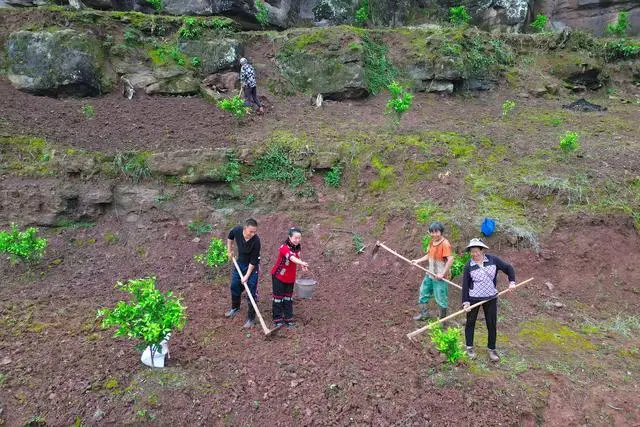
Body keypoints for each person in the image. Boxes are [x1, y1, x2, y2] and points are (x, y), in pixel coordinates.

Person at [461, 238, 516, 362]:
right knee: (470, 323)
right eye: (472, 251)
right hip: (474, 298)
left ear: (482, 250)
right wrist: (466, 302)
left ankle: (492, 349)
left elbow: (509, 268)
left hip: (491, 297)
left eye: (476, 251)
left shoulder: (493, 260)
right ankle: (469, 347)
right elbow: (465, 285)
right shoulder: (468, 266)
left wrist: (512, 283)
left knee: (491, 324)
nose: (474, 254)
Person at [410, 222, 454, 321]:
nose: (434, 234)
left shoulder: (445, 244)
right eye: (432, 232)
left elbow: (450, 259)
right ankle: (424, 315)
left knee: (441, 298)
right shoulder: (432, 242)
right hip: (430, 273)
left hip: (440, 277)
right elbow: (429, 255)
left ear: (441, 232)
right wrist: (418, 260)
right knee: (423, 292)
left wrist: (442, 274)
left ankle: (442, 321)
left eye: (436, 232)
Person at [225, 218, 261, 328]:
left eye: (255, 231)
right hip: (239, 263)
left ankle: (251, 318)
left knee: (251, 292)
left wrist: (246, 276)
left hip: (252, 267)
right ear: (245, 229)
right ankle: (235, 308)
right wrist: (229, 249)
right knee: (235, 285)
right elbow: (230, 236)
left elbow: (254, 261)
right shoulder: (237, 230)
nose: (253, 234)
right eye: (251, 231)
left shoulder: (256, 241)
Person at [270, 227, 309, 328]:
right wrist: (301, 262)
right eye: (295, 238)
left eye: (299, 238)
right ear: (289, 237)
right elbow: (291, 257)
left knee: (288, 298)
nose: (297, 240)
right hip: (279, 276)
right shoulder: (284, 247)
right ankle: (277, 318)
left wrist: (302, 265)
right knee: (278, 298)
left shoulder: (298, 247)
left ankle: (288, 318)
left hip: (290, 277)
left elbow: (297, 257)